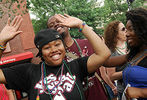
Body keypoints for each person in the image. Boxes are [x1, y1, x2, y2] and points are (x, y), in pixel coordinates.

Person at [0, 14, 110, 100]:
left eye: (57, 44)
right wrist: (1, 42)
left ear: (64, 47)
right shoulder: (29, 72)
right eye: (47, 47)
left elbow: (104, 54)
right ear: (41, 53)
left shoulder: (76, 66)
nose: (54, 50)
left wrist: (81, 25)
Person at [47, 14, 108, 100]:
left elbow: (107, 61)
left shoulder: (88, 43)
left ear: (67, 25)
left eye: (59, 21)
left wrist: (130, 57)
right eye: (51, 25)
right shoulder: (53, 57)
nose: (56, 24)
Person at [104, 7, 147, 100]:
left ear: (142, 29)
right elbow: (106, 62)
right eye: (125, 30)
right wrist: (83, 27)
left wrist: (142, 92)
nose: (127, 34)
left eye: (130, 29)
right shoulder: (134, 54)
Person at [103, 20, 127, 100]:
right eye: (123, 29)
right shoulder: (111, 52)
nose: (126, 30)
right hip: (124, 90)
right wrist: (129, 72)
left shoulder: (132, 44)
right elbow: (111, 76)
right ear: (116, 34)